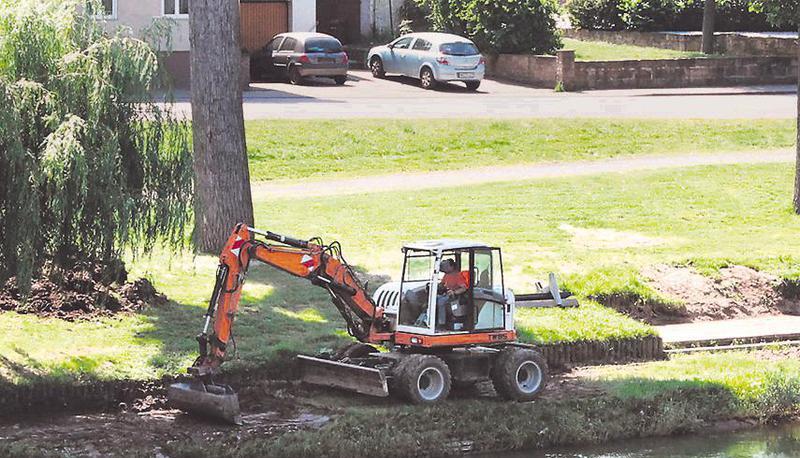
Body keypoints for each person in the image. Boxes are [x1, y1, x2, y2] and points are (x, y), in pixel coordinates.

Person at [436, 259, 467, 329]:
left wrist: (454, 292)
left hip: (453, 297)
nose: (445, 268)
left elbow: (464, 288)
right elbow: (442, 284)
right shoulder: (446, 275)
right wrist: (439, 286)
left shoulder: (457, 276)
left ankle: (441, 323)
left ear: (452, 266)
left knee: (440, 302)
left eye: (447, 266)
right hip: (445, 294)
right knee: (433, 299)